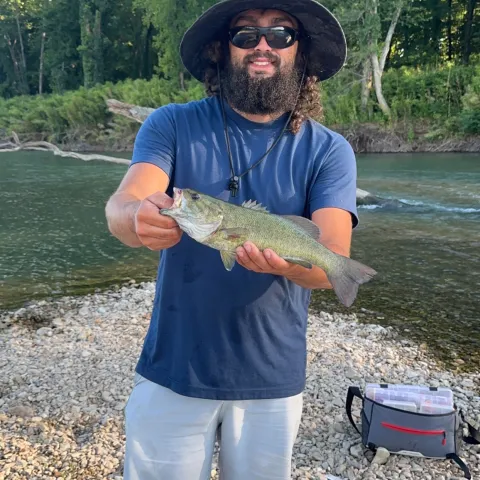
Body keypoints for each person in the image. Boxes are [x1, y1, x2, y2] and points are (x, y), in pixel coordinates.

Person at [105, 1, 358, 479]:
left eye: (280, 34)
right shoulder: (172, 124)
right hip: (174, 368)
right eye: (245, 35)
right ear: (221, 50)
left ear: (301, 52)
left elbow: (334, 264)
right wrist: (135, 217)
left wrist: (286, 264)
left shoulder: (329, 150)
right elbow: (122, 206)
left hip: (272, 376)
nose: (262, 46)